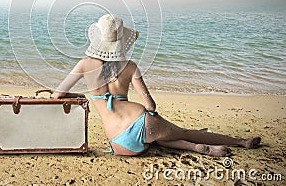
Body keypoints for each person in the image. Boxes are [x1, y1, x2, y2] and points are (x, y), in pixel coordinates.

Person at [53, 14, 261, 157]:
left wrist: (87, 95)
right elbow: (151, 106)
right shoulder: (131, 66)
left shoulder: (83, 64)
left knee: (154, 138)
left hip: (119, 143)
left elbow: (57, 96)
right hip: (141, 121)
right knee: (180, 131)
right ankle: (240, 142)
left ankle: (195, 148)